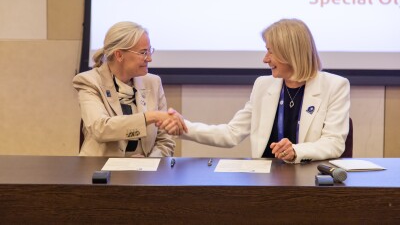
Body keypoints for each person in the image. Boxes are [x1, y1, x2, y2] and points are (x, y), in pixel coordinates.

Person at [165, 18, 350, 163]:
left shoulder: (335, 86)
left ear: (290, 53)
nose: (265, 59)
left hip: (310, 180)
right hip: (265, 182)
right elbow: (231, 133)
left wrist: (296, 151)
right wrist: (183, 127)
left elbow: (333, 143)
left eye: (271, 52)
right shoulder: (263, 85)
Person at [73, 21, 187, 157]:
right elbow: (100, 128)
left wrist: (147, 164)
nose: (149, 58)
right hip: (99, 172)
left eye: (149, 51)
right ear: (119, 55)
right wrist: (151, 116)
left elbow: (165, 141)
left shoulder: (153, 82)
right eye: (143, 52)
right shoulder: (89, 81)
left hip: (143, 176)